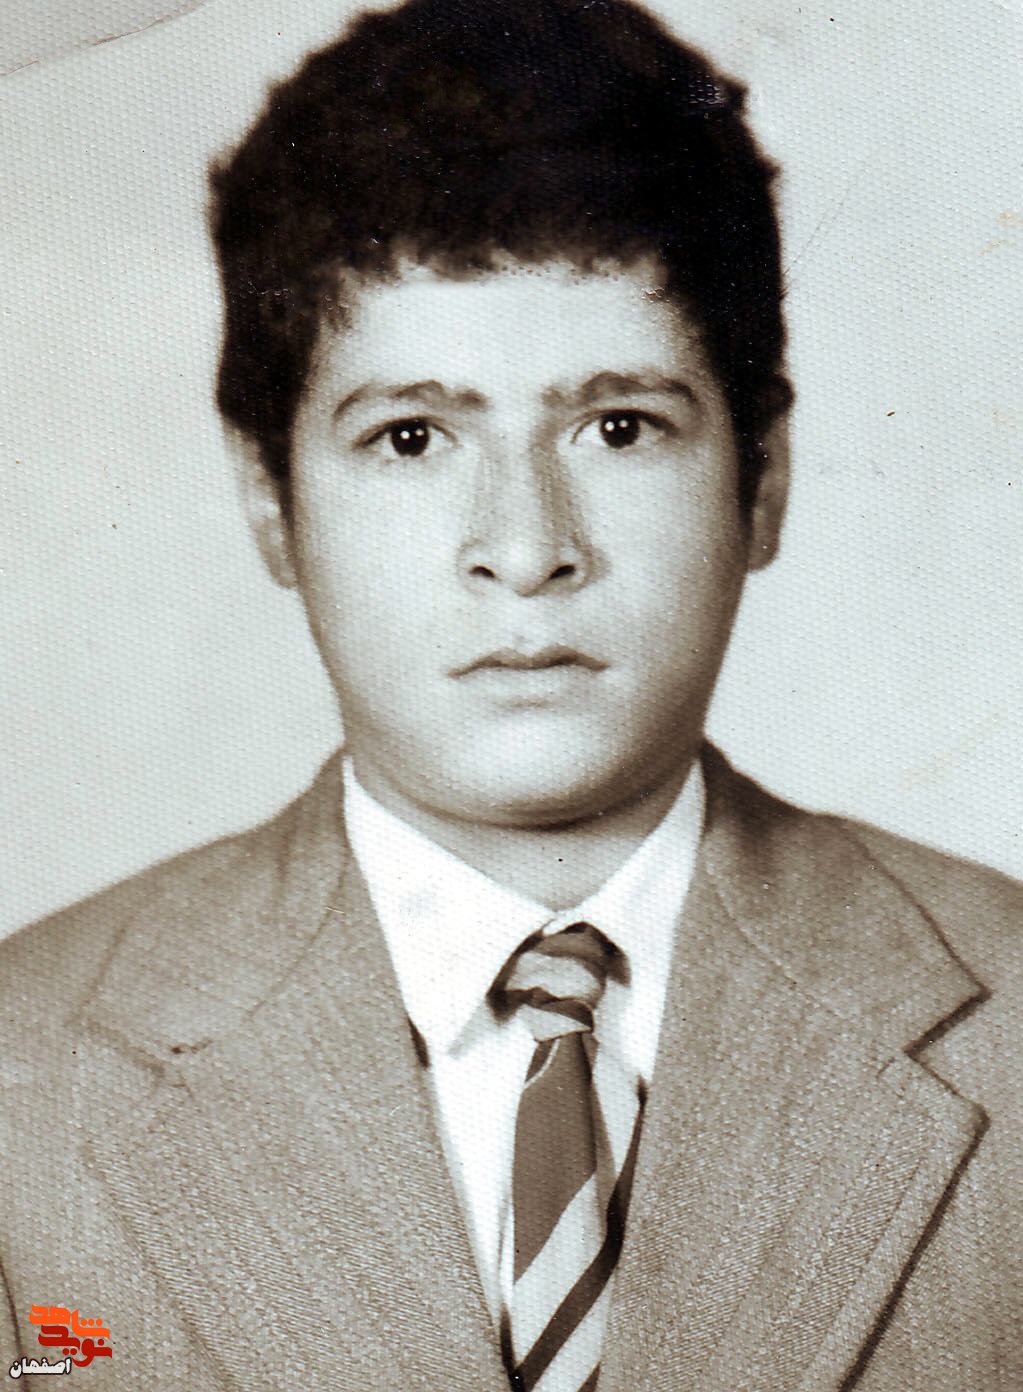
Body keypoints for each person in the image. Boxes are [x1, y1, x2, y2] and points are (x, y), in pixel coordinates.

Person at [1, 0, 1021, 1387]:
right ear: (270, 502)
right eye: (411, 437)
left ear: (764, 479)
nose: (528, 546)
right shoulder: (25, 1078)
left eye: (620, 427)